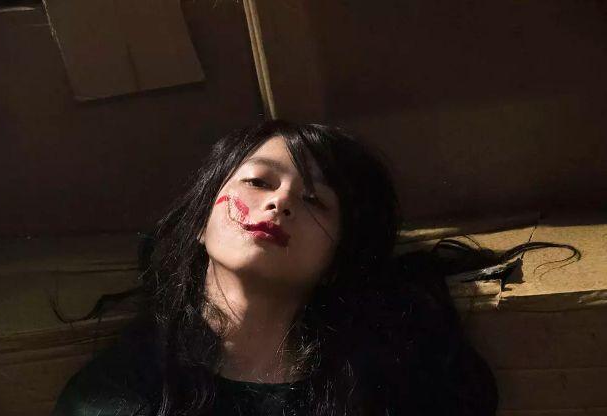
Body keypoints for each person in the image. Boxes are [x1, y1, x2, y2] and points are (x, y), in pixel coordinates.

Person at [53, 120, 499, 416]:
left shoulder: (390, 390)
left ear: (338, 259)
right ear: (199, 224)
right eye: (258, 181)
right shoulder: (115, 394)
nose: (280, 201)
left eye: (314, 201)